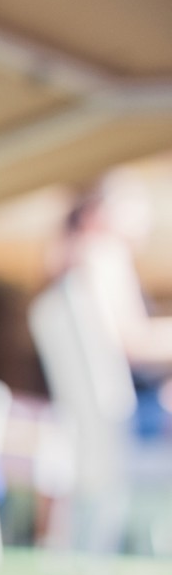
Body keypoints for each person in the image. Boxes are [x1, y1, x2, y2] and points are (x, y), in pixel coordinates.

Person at [53, 173, 172, 438]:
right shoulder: (102, 256)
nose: (145, 212)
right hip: (134, 418)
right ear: (98, 211)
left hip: (115, 418)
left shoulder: (75, 258)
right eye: (133, 199)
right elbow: (130, 342)